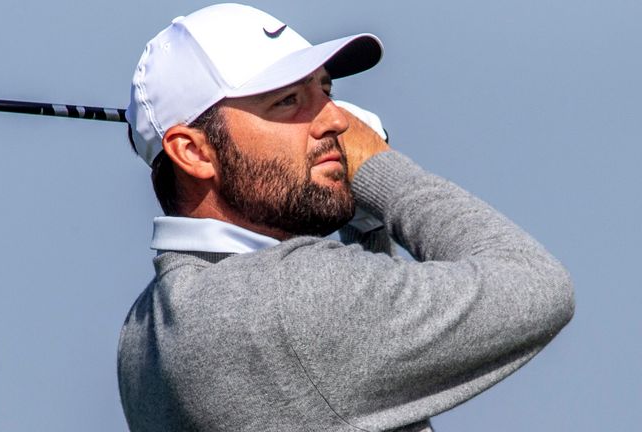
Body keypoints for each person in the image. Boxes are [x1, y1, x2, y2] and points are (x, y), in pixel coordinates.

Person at [117, 3, 574, 431]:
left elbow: (363, 379)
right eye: (288, 100)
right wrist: (380, 170)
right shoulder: (290, 298)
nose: (335, 120)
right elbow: (536, 285)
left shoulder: (143, 336)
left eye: (326, 90)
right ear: (194, 152)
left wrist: (354, 206)